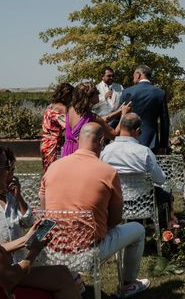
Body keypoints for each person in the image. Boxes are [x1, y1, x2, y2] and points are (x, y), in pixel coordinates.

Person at [40, 122, 150, 297]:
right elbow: (115, 220)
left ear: (77, 140)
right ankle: (128, 284)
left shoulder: (53, 167)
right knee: (138, 230)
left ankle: (74, 276)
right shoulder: (108, 172)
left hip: (54, 246)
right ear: (101, 141)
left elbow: (45, 211)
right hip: (88, 248)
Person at [0, 146, 80, 299]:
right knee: (61, 280)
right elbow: (8, 279)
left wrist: (26, 239)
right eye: (6, 166)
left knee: (62, 273)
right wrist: (34, 252)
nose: (10, 171)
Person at [100, 113, 178, 227]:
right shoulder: (144, 152)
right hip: (142, 203)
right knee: (166, 196)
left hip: (115, 203)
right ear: (137, 131)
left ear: (120, 127)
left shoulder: (106, 151)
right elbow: (160, 179)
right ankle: (164, 232)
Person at [0, 148, 35, 264]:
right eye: (9, 170)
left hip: (17, 262)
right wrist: (28, 240)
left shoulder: (12, 197)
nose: (13, 176)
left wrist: (19, 197)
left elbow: (28, 222)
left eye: (13, 170)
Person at [60, 82, 129, 158]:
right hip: (81, 153)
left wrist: (117, 112)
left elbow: (99, 120)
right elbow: (114, 134)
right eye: (97, 92)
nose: (99, 93)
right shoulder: (92, 117)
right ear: (89, 96)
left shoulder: (71, 109)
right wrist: (123, 114)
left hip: (67, 151)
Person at [119, 65, 170, 154]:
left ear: (138, 75)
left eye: (133, 76)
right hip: (151, 140)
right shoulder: (160, 93)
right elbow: (164, 121)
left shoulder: (127, 92)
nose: (133, 79)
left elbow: (119, 115)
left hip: (128, 139)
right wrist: (163, 145)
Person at [40, 82, 73, 171]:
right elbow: (68, 127)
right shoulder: (62, 108)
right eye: (71, 96)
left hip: (45, 143)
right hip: (54, 145)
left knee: (47, 172)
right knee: (53, 172)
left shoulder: (50, 106)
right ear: (66, 95)